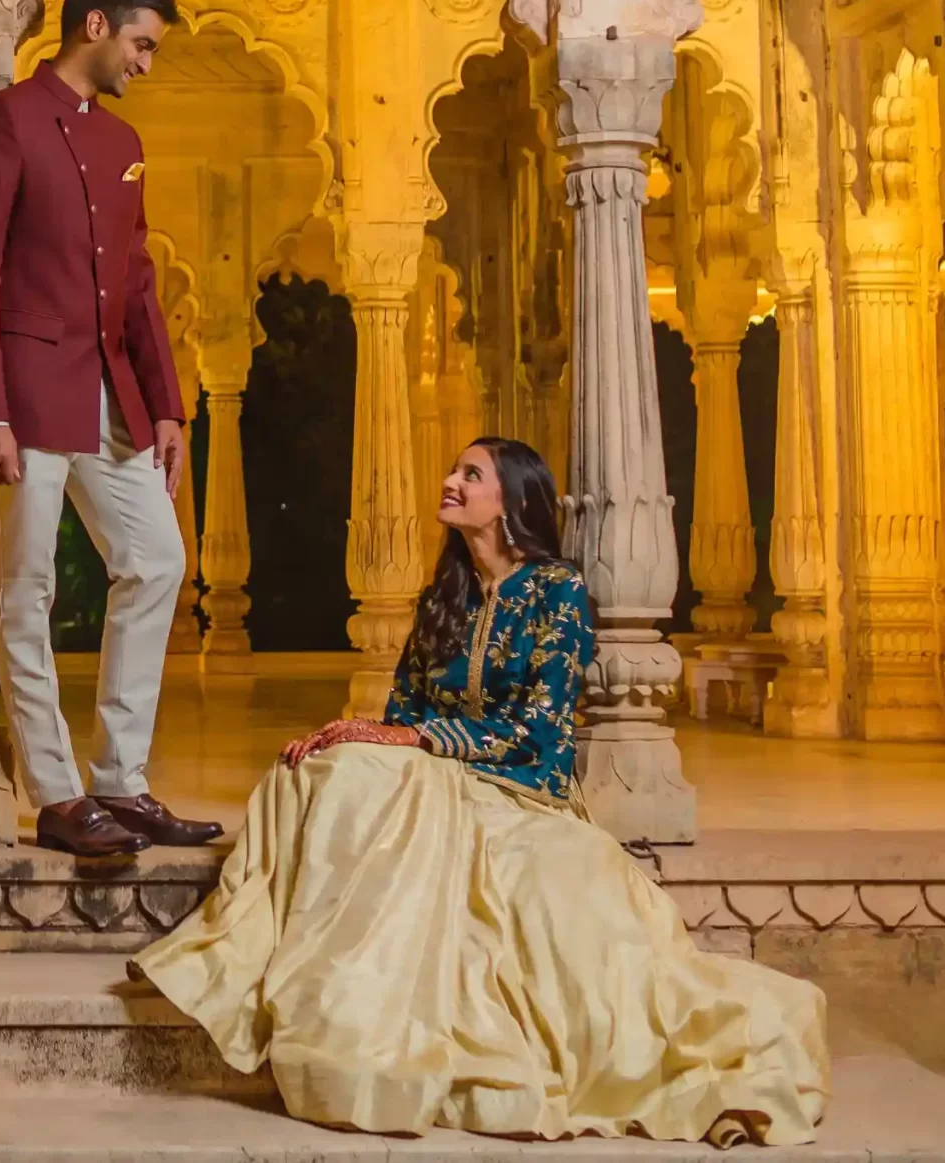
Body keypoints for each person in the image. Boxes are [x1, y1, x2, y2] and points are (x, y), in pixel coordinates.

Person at [134, 437, 830, 1144]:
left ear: (514, 501)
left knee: (442, 832)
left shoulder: (557, 591)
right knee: (316, 773)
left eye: (471, 474)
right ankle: (313, 988)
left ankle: (362, 1024)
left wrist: (419, 743)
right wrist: (355, 734)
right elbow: (405, 713)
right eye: (455, 469)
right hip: (434, 780)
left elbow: (542, 733)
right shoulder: (447, 594)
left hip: (521, 792)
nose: (449, 480)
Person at [0, 0, 219, 860]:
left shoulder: (119, 143)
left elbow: (137, 282)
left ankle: (122, 780)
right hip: (26, 396)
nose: (147, 61)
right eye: (142, 43)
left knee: (158, 561)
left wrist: (169, 407)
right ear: (95, 27)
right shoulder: (7, 121)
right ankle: (59, 793)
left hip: (112, 392)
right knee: (27, 588)